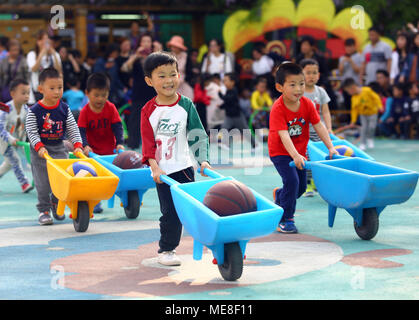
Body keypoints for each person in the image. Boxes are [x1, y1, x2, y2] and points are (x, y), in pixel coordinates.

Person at [140, 51, 211, 266]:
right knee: (170, 212)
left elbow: (197, 134)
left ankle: (210, 242)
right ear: (149, 81)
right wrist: (155, 168)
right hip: (163, 172)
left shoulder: (186, 105)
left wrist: (203, 159)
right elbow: (148, 143)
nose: (169, 80)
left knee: (192, 209)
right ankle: (167, 249)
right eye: (161, 76)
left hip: (184, 167)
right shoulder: (148, 111)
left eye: (173, 74)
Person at [269, 62, 338, 234]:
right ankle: (286, 219)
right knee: (292, 181)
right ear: (280, 87)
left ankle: (280, 195)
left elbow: (319, 125)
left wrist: (331, 147)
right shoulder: (278, 109)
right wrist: (295, 155)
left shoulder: (307, 104)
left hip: (299, 152)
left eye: (301, 83)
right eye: (292, 85)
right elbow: (284, 135)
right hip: (281, 152)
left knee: (299, 188)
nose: (298, 89)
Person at [25, 67, 83, 225]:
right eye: (52, 88)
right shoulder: (34, 111)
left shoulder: (64, 108)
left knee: (61, 180)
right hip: (40, 152)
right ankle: (43, 210)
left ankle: (57, 203)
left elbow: (72, 127)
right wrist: (39, 147)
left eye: (60, 87)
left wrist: (77, 144)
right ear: (40, 88)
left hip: (58, 148)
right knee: (43, 183)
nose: (57, 91)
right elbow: (31, 131)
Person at [78, 72, 125, 213]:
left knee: (113, 177)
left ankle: (125, 196)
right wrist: (85, 145)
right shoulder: (85, 112)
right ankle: (95, 201)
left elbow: (118, 126)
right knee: (93, 177)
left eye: (104, 95)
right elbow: (81, 131)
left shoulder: (110, 108)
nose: (100, 99)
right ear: (87, 93)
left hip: (109, 150)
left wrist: (120, 143)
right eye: (96, 95)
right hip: (92, 152)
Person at [300, 58, 332, 197]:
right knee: (306, 159)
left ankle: (316, 182)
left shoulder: (321, 92)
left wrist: (329, 128)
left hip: (319, 132)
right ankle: (307, 185)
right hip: (303, 133)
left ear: (319, 75)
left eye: (314, 72)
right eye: (308, 73)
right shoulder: (299, 92)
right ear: (301, 75)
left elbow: (325, 111)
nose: (311, 76)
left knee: (319, 158)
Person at [121, 33, 156, 149]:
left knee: (154, 121)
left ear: (151, 44)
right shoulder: (134, 57)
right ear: (140, 44)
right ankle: (133, 145)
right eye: (144, 41)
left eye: (148, 41)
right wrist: (136, 55)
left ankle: (154, 146)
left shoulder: (155, 57)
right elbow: (124, 68)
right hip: (138, 93)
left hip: (152, 92)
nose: (146, 43)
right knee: (135, 120)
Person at [0, 78, 33, 193]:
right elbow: (1, 129)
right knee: (15, 159)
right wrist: (11, 139)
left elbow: (29, 124)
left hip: (19, 139)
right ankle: (24, 183)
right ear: (13, 94)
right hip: (4, 141)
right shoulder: (5, 109)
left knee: (10, 163)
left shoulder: (26, 109)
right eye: (23, 93)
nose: (27, 96)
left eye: (28, 93)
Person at [341, 77, 383, 150]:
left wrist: (379, 106)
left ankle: (370, 138)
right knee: (363, 128)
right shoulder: (354, 98)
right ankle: (363, 143)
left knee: (372, 127)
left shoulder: (367, 90)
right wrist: (353, 121)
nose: (348, 93)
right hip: (363, 114)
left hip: (373, 112)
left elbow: (376, 97)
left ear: (352, 87)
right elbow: (354, 110)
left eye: (348, 91)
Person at [218, 72, 256, 149]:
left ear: (232, 82)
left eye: (226, 80)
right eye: (223, 81)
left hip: (237, 116)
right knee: (224, 128)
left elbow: (228, 99)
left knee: (245, 131)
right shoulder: (228, 91)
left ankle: (255, 145)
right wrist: (221, 106)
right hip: (229, 116)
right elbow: (227, 103)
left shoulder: (234, 91)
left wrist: (220, 94)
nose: (224, 82)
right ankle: (226, 144)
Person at [26, 30, 62, 104]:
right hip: (37, 90)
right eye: (41, 39)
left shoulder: (55, 54)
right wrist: (42, 53)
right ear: (37, 42)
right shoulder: (32, 54)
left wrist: (54, 54)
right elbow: (33, 69)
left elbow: (58, 71)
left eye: (46, 39)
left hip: (52, 90)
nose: (44, 41)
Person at [338, 38, 364, 110]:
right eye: (347, 47)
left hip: (355, 84)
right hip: (345, 85)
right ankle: (349, 119)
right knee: (347, 104)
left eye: (350, 46)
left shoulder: (359, 56)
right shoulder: (342, 58)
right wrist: (343, 62)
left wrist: (351, 61)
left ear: (354, 46)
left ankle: (356, 120)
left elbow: (358, 70)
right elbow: (340, 71)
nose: (348, 49)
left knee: (356, 104)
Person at [167, 35, 194, 100]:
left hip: (183, 83)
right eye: (173, 46)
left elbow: (189, 70)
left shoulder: (185, 56)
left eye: (176, 46)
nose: (174, 48)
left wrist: (184, 79)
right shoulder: (167, 56)